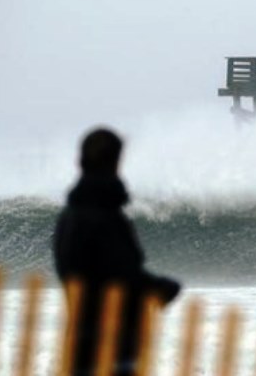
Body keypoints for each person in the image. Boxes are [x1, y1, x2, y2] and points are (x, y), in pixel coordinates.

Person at [53, 128, 180, 375]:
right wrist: (162, 288)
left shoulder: (67, 217)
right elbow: (122, 277)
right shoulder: (103, 216)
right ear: (116, 162)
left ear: (80, 161)